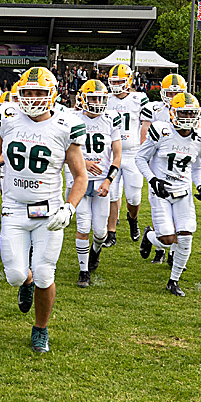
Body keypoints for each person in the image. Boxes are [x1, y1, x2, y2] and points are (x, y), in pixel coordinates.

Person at [0, 67, 87, 353]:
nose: (33, 97)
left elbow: (80, 176)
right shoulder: (8, 117)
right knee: (15, 274)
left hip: (47, 211)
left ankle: (40, 329)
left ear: (52, 94)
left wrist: (70, 207)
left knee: (45, 273)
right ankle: (26, 281)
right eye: (27, 92)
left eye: (39, 92)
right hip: (14, 207)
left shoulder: (65, 125)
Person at [136, 93, 201, 296]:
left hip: (183, 192)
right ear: (173, 113)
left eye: (191, 113)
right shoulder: (161, 131)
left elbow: (197, 166)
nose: (187, 117)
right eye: (183, 113)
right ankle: (149, 235)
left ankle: (174, 280)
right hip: (161, 191)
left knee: (186, 235)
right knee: (168, 239)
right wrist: (153, 180)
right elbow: (140, 158)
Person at [71, 79, 121, 286]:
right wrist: (83, 163)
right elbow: (64, 151)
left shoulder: (111, 119)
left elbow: (117, 155)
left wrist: (109, 180)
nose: (97, 102)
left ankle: (95, 250)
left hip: (102, 180)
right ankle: (83, 271)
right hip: (78, 179)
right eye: (93, 98)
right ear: (83, 98)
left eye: (100, 98)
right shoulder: (72, 118)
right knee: (83, 226)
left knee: (100, 232)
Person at [139, 73, 188, 263]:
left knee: (179, 208)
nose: (173, 96)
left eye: (177, 93)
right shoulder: (154, 109)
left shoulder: (188, 106)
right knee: (160, 205)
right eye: (170, 93)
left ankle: (173, 251)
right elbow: (144, 138)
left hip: (179, 163)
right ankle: (160, 245)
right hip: (158, 162)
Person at [104, 64, 148, 245]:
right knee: (111, 195)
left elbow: (146, 124)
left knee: (134, 198)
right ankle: (111, 232)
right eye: (113, 81)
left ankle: (133, 219)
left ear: (129, 80)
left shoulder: (139, 98)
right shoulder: (106, 99)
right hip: (111, 153)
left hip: (132, 153)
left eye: (120, 81)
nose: (116, 85)